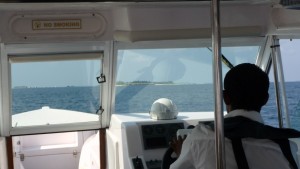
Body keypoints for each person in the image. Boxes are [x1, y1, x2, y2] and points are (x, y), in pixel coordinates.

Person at [169, 63, 300, 169]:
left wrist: (181, 155)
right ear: (265, 99)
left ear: (225, 98)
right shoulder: (287, 148)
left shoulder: (198, 139)